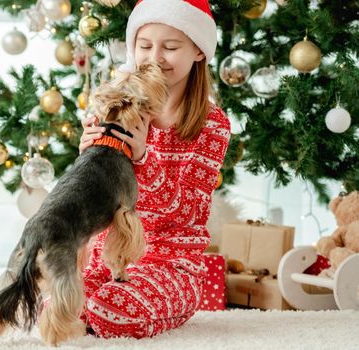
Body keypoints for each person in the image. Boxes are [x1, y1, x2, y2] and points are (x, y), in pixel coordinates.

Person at [79, 0, 231, 339]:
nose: (156, 57)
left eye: (171, 47)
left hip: (171, 264)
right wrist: (90, 157)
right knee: (56, 307)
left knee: (111, 309)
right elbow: (97, 200)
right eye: (145, 45)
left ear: (198, 52)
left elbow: (187, 212)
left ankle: (123, 308)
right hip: (109, 257)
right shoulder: (117, 107)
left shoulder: (212, 125)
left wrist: (143, 158)